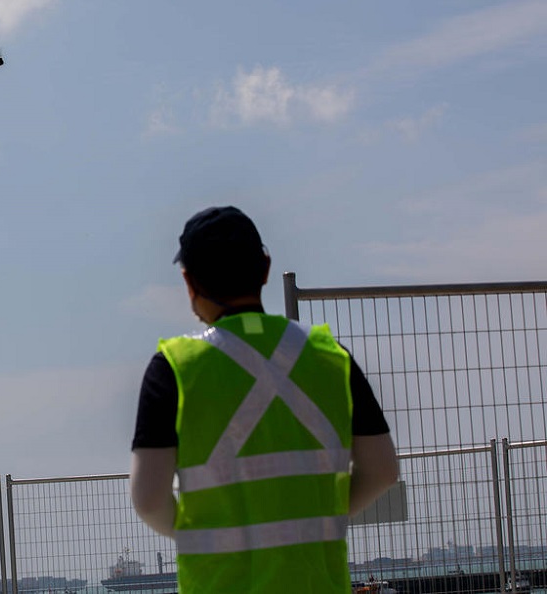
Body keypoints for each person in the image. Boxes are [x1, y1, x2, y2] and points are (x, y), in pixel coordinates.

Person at [130, 205, 399, 593]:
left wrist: (207, 537)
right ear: (266, 268)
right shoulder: (330, 356)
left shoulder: (173, 367)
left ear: (189, 282)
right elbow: (383, 471)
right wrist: (321, 521)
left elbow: (148, 499)